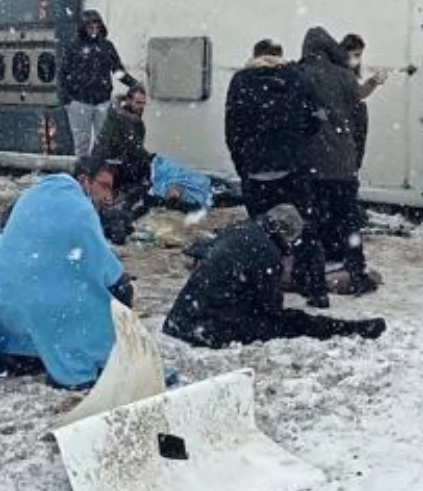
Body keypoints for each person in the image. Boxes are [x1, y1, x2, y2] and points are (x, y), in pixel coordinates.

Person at [0, 164, 134, 389]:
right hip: (41, 313)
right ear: (85, 180)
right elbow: (110, 274)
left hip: (0, 314)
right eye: (103, 187)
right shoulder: (80, 209)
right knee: (105, 301)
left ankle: (24, 352)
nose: (107, 197)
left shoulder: (30, 196)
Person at [164, 204, 386, 349]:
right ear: (285, 234)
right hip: (209, 327)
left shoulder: (241, 231)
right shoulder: (267, 253)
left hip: (182, 318)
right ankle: (353, 329)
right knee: (295, 322)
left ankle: (350, 328)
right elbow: (270, 310)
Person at [224, 40, 327, 304]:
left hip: (256, 169)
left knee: (261, 234)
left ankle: (264, 290)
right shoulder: (298, 78)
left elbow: (232, 128)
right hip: (292, 167)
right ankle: (315, 288)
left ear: (254, 55)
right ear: (280, 55)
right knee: (305, 228)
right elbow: (317, 120)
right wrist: (298, 147)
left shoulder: (240, 81)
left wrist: (244, 164)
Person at [299, 27, 374, 293]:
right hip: (343, 163)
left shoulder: (299, 75)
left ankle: (315, 280)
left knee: (314, 223)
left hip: (312, 165)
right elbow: (358, 116)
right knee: (349, 220)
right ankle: (357, 272)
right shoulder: (343, 77)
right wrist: (354, 156)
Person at [59, 10, 136, 161]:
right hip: (79, 102)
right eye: (90, 27)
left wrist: (133, 84)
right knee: (82, 144)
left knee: (104, 142)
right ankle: (82, 176)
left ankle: (97, 176)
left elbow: (117, 70)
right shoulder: (73, 46)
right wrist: (66, 99)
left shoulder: (106, 46)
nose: (94, 30)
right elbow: (63, 74)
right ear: (83, 28)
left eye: (97, 26)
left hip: (103, 101)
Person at [94, 83, 153, 237]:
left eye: (143, 103)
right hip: (111, 165)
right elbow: (134, 148)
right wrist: (150, 161)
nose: (141, 107)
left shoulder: (119, 115)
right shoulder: (125, 120)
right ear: (128, 101)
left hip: (114, 164)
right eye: (137, 102)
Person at [339, 33, 387, 174]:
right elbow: (357, 94)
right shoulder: (341, 73)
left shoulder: (345, 72)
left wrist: (373, 82)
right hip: (344, 124)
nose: (358, 59)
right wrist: (373, 82)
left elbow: (357, 94)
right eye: (357, 54)